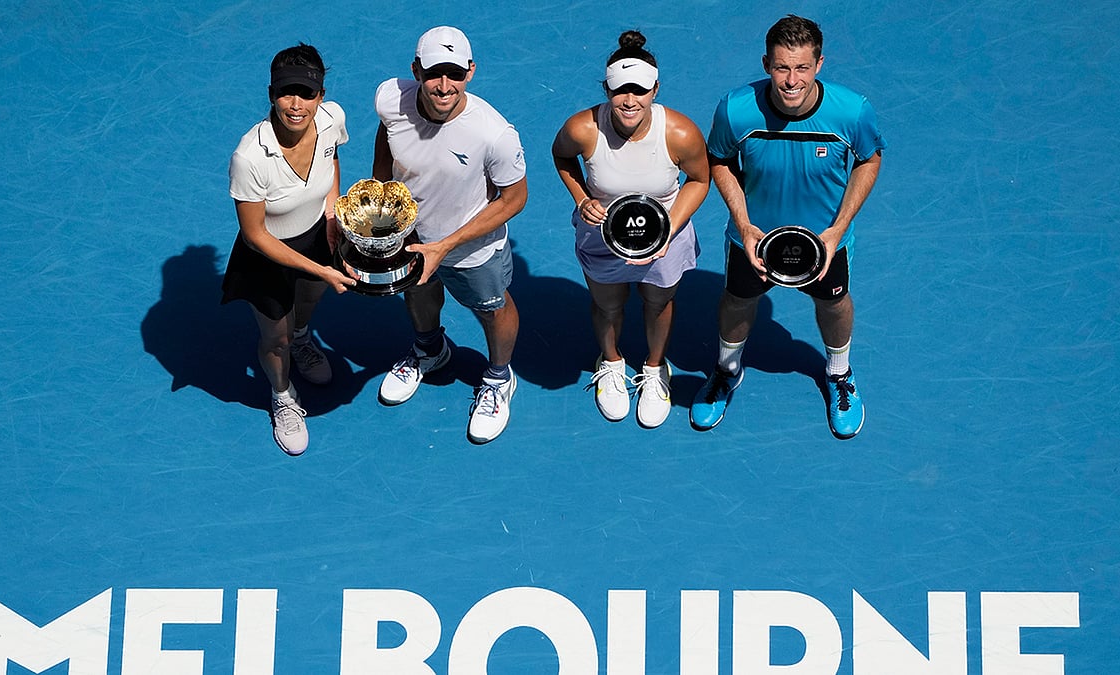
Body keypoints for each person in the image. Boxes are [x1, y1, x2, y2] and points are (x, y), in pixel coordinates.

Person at [691, 15, 885, 439]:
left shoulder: (852, 111)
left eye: (801, 68)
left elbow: (869, 159)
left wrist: (838, 229)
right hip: (754, 239)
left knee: (834, 304)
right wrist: (744, 224)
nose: (791, 80)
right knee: (737, 301)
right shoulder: (736, 109)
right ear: (766, 64)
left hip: (825, 242)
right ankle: (726, 370)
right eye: (781, 67)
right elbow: (719, 160)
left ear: (819, 64)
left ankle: (839, 373)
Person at [372, 26, 528, 444]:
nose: (444, 86)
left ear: (470, 72)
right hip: (410, 235)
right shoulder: (390, 99)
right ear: (416, 71)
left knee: (492, 309)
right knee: (418, 294)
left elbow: (514, 199)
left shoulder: (494, 134)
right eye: (434, 74)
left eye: (455, 74)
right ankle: (430, 351)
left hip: (471, 248)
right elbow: (387, 135)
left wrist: (443, 246)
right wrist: (381, 193)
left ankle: (499, 379)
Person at [552, 30, 710, 428]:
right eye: (620, 90)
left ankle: (655, 368)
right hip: (602, 236)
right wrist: (582, 199)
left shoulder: (680, 133)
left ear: (655, 89)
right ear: (607, 89)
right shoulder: (582, 129)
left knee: (658, 303)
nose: (629, 100)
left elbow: (699, 180)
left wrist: (669, 229)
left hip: (665, 236)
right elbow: (562, 157)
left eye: (639, 90)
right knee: (607, 305)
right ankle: (611, 361)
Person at [221, 43, 356, 456]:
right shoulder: (249, 157)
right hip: (267, 255)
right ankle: (282, 396)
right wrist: (324, 270)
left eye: (307, 93)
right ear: (271, 94)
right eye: (286, 93)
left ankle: (302, 339)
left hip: (317, 235)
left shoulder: (332, 120)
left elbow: (332, 159)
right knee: (274, 337)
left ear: (321, 95)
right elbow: (255, 236)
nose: (296, 105)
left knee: (308, 303)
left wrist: (332, 210)